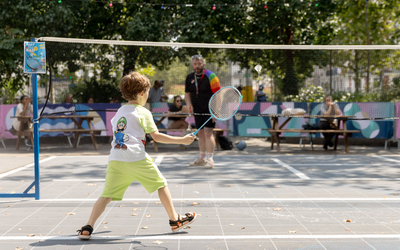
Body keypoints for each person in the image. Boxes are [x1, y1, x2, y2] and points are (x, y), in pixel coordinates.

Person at [77, 72, 196, 240]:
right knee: (161, 185)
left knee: (106, 195)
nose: (148, 95)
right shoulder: (143, 112)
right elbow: (156, 137)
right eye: (147, 91)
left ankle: (87, 227)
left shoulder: (119, 112)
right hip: (137, 158)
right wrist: (182, 139)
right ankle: (174, 220)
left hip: (116, 159)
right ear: (141, 93)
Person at [185, 55, 221, 169]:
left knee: (208, 133)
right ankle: (202, 158)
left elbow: (218, 94)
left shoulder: (211, 76)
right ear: (192, 65)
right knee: (200, 134)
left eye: (199, 64)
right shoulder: (189, 77)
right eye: (195, 64)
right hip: (197, 110)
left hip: (209, 110)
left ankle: (210, 159)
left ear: (203, 64)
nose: (197, 66)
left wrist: (216, 110)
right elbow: (187, 94)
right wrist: (188, 104)